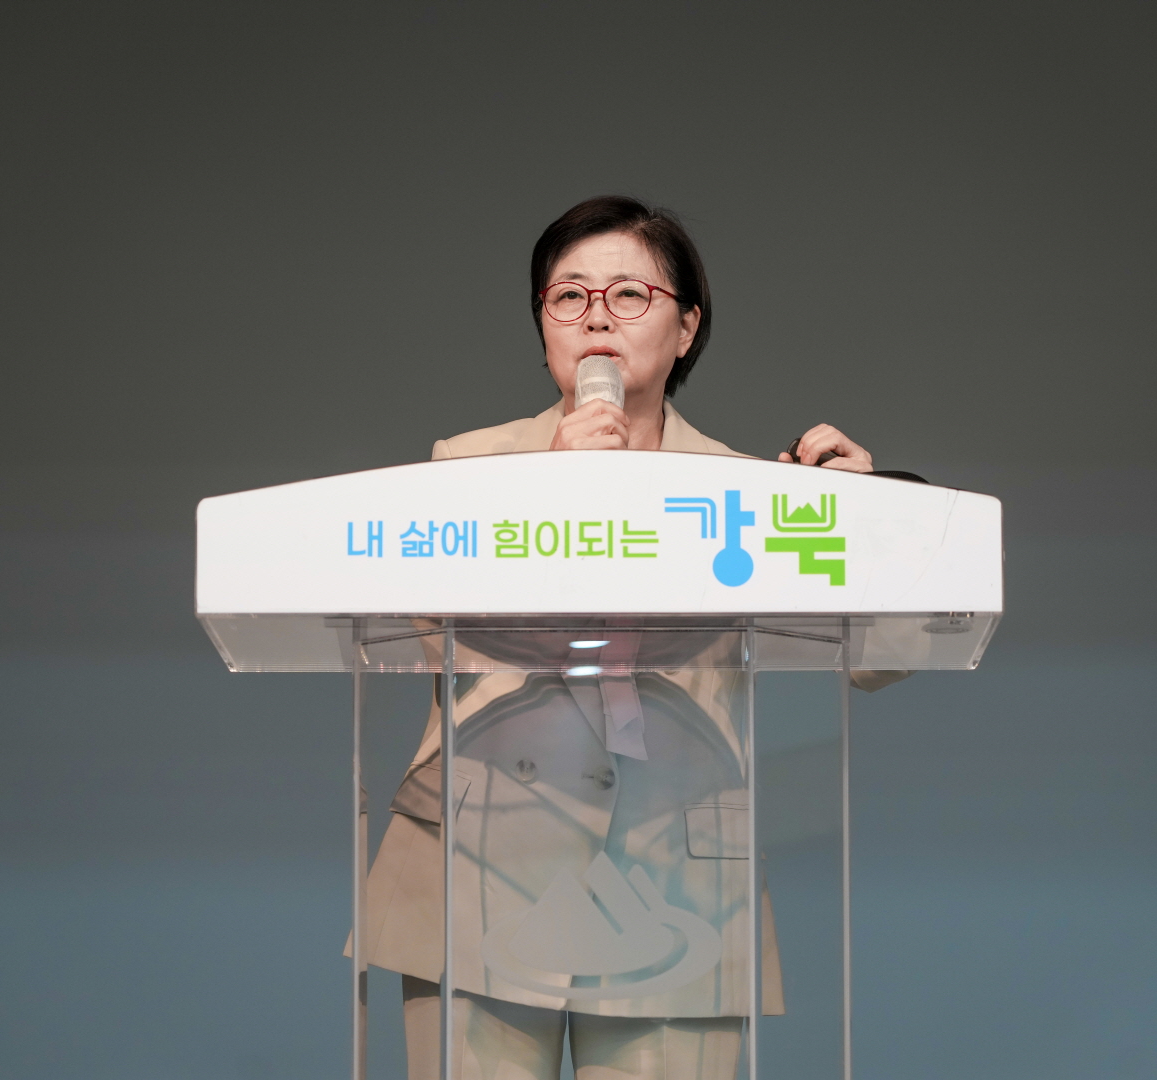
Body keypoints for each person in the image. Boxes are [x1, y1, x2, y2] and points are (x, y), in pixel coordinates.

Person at [357, 196, 899, 1080]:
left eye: (629, 295)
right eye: (568, 296)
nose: (596, 317)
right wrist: (550, 493)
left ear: (687, 328)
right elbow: (436, 634)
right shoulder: (469, 467)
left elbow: (876, 663)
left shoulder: (751, 493)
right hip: (484, 859)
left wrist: (870, 527)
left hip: (675, 878)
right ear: (543, 328)